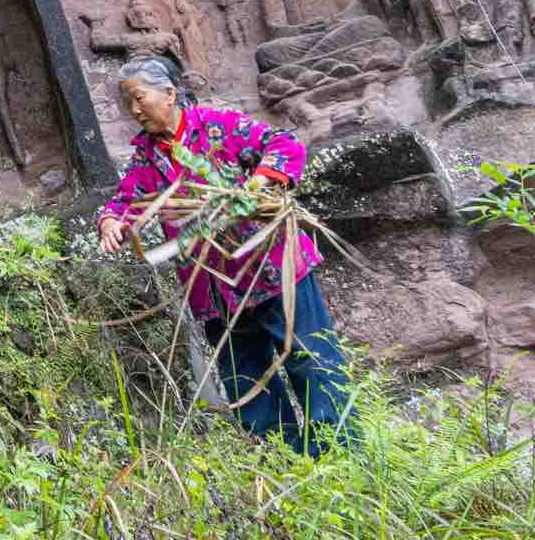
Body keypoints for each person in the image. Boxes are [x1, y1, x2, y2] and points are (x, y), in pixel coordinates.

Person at [96, 56, 351, 454]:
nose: (134, 110)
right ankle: (286, 469)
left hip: (271, 270)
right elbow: (123, 202)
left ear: (168, 93)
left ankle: (341, 461)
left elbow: (284, 145)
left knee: (310, 363)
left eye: (139, 98)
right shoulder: (146, 158)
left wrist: (258, 184)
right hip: (213, 294)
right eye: (127, 103)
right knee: (247, 384)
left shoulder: (218, 127)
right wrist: (111, 224)